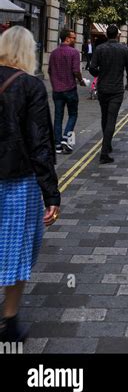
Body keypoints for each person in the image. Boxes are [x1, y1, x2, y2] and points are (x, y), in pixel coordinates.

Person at [0, 26, 60, 343]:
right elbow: (40, 145)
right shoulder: (30, 86)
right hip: (16, 181)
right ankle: (9, 320)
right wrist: (52, 194)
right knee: (16, 248)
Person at [89, 24, 128, 164]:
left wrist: (99, 74)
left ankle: (107, 144)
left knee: (104, 116)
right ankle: (104, 151)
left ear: (106, 35)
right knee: (111, 119)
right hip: (116, 89)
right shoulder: (123, 49)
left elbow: (92, 68)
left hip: (103, 88)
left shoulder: (100, 48)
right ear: (117, 35)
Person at [48, 28, 86, 154]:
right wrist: (81, 81)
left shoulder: (53, 53)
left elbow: (49, 71)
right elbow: (76, 70)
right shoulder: (74, 52)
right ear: (67, 38)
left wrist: (54, 83)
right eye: (73, 37)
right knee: (73, 114)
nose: (75, 40)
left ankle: (57, 145)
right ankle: (66, 138)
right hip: (69, 88)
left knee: (58, 117)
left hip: (57, 90)